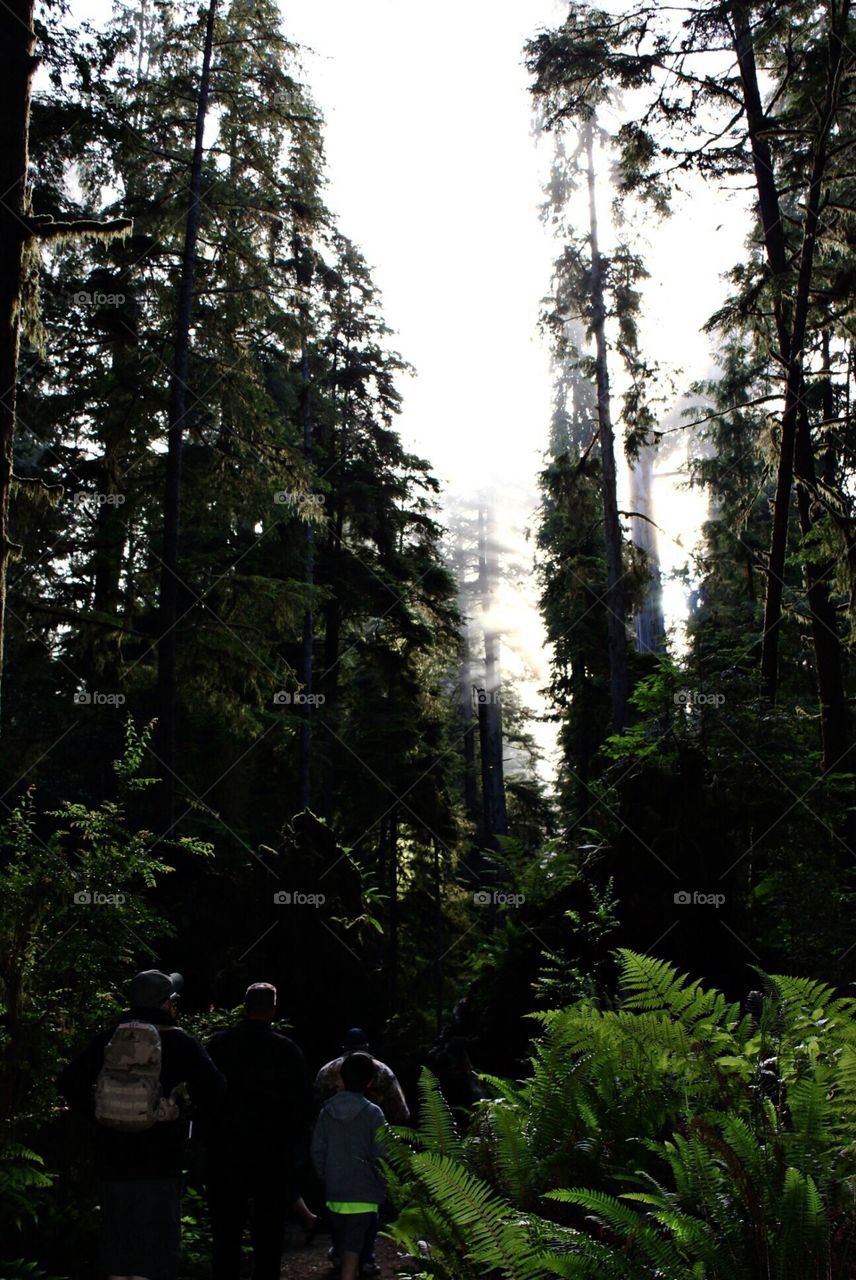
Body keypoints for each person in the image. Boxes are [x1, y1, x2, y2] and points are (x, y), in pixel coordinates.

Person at [59, 969, 225, 1280]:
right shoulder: (181, 1043)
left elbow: (68, 1081)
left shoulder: (108, 1040)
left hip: (112, 1162)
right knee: (157, 1252)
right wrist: (182, 1113)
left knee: (118, 1249)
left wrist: (99, 1113)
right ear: (165, 1005)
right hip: (161, 1163)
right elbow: (216, 1089)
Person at [204, 982, 313, 1280]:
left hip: (225, 1151)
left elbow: (202, 1096)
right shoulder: (286, 1050)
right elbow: (301, 1104)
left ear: (245, 1007)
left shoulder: (219, 1045)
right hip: (271, 1153)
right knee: (268, 1233)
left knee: (226, 1232)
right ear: (273, 1010)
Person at [311, 1052, 386, 1280]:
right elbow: (383, 1153)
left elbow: (317, 1150)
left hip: (336, 1190)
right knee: (355, 1246)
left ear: (341, 1080)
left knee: (345, 1242)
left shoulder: (327, 1112)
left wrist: (327, 1175)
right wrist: (381, 1181)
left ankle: (346, 1265)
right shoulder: (374, 1114)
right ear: (370, 1081)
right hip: (365, 1193)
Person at [315, 1027, 410, 1124]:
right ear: (367, 1047)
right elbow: (401, 1113)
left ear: (344, 1048)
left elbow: (316, 1108)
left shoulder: (325, 1071)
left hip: (334, 1134)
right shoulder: (382, 1070)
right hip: (375, 1132)